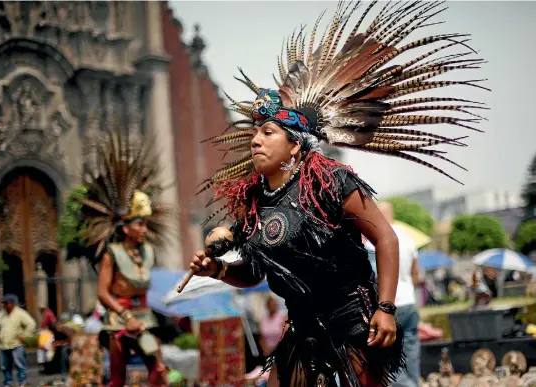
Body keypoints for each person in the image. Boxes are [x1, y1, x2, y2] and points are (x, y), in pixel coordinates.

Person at [189, 1, 485, 386]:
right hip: (301, 328)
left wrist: (387, 308)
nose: (256, 141)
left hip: (354, 324)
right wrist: (220, 270)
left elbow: (385, 236)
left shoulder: (329, 181)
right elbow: (257, 272)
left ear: (295, 145)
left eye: (268, 133)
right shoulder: (256, 204)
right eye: (254, 133)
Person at [78, 129, 172, 386]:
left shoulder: (148, 252)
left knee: (158, 370)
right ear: (126, 226)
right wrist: (124, 315)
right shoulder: (113, 253)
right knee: (118, 378)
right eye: (139, 224)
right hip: (118, 321)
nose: (144, 229)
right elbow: (102, 293)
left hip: (144, 317)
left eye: (145, 224)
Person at [376, 202, 422, 387]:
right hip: (409, 302)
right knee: (411, 353)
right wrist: (407, 288)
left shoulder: (375, 238)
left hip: (388, 305)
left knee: (392, 361)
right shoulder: (407, 237)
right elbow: (416, 273)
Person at [0, 294, 37, 387]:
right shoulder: (1, 314)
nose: (4, 305)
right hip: (4, 345)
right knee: (5, 366)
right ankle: (7, 383)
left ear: (12, 303)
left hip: (16, 344)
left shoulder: (20, 313)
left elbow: (31, 324)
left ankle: (22, 382)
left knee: (20, 365)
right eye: (3, 303)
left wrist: (24, 335)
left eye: (6, 303)